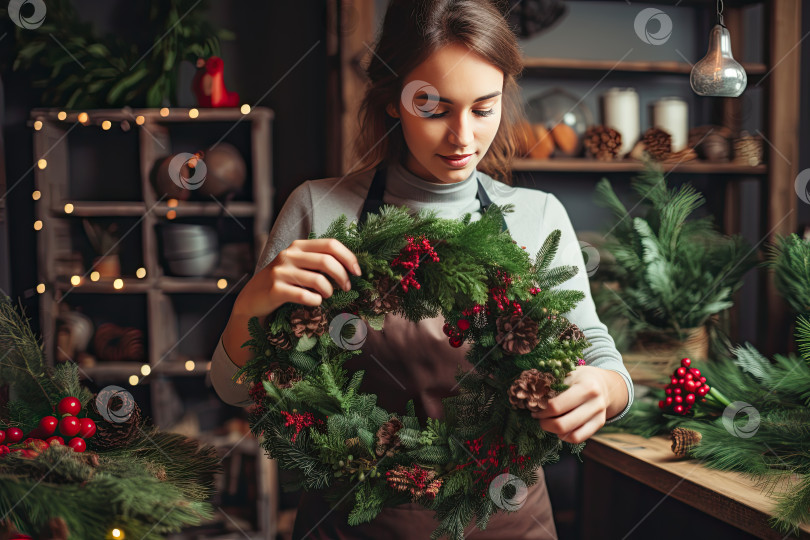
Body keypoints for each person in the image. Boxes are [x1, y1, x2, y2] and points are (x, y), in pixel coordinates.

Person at [211, 0, 632, 538]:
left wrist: (606, 386)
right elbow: (231, 389)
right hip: (353, 522)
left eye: (484, 108)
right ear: (393, 98)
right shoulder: (320, 209)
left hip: (508, 518)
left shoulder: (536, 215)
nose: (462, 137)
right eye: (434, 106)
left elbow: (594, 347)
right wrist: (251, 303)